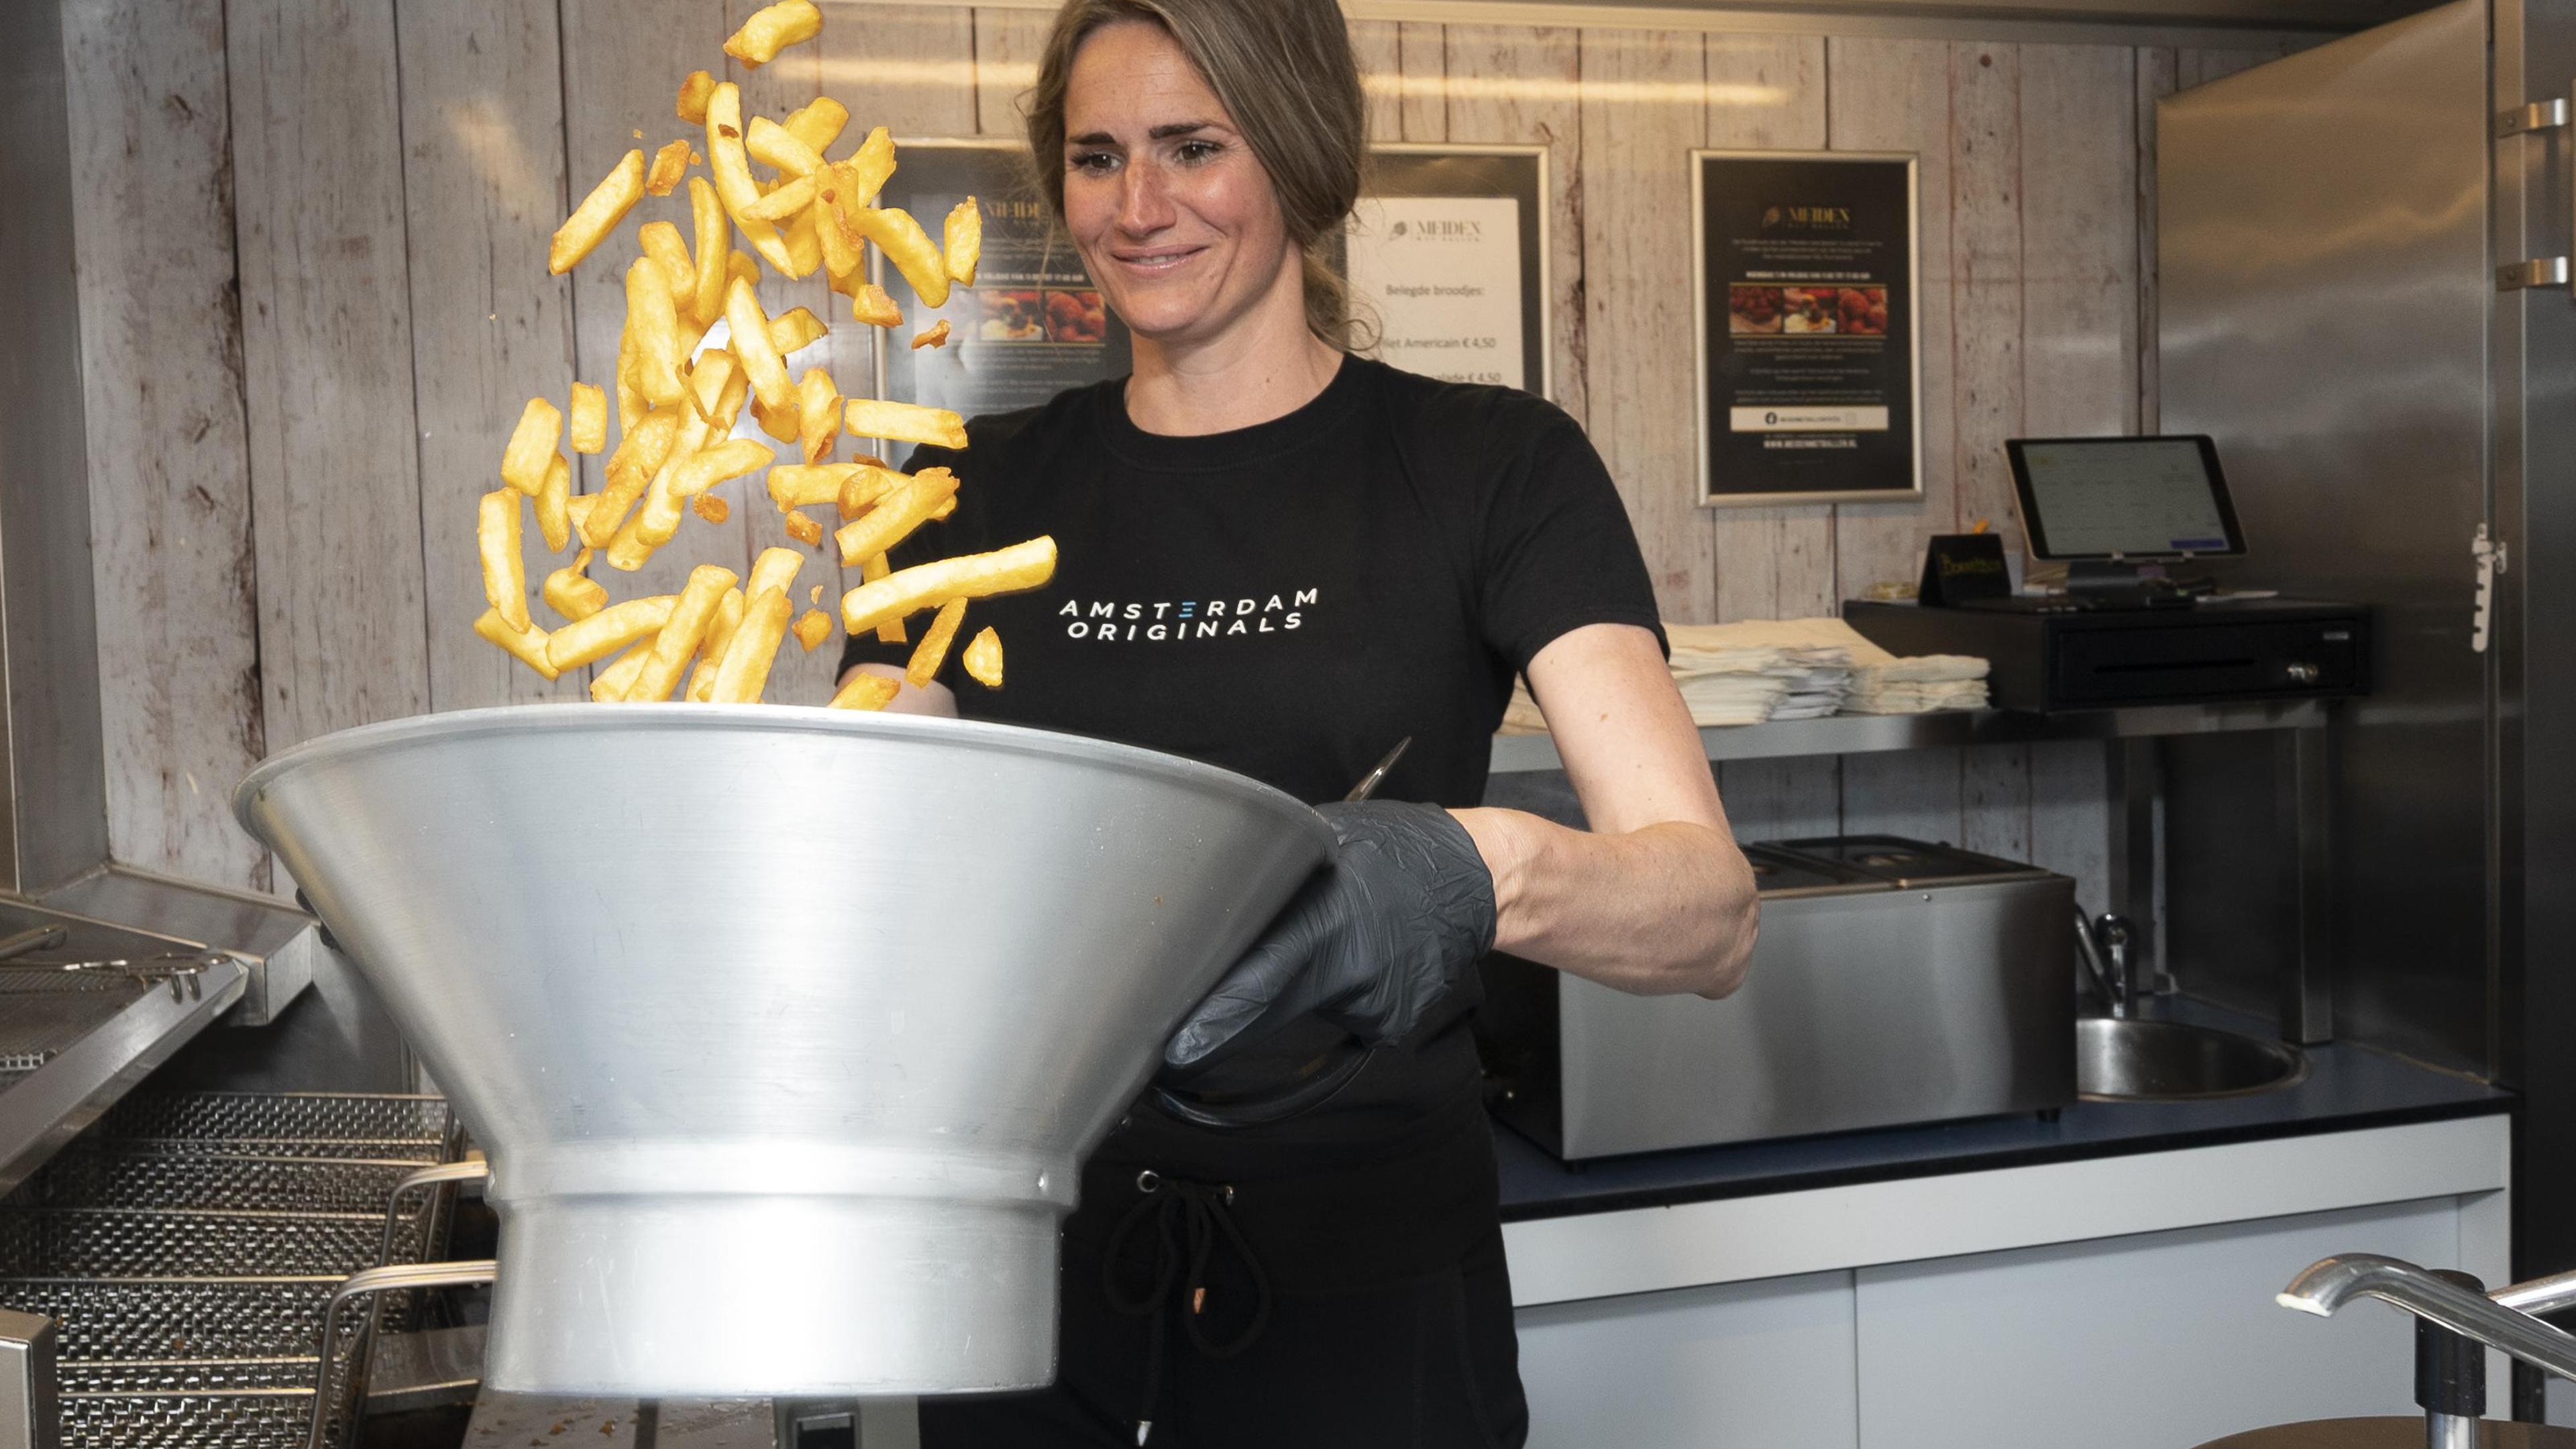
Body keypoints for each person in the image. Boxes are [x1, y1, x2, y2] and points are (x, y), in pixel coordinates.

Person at [838, 1, 1760, 1442]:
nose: (1137, 207)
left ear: (1300, 154)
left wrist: (1463, 874)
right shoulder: (961, 497)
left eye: (1194, 147)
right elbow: (864, 850)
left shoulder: (1492, 466)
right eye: (1097, 156)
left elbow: (1707, 912)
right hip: (1033, 1296)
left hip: (1376, 1305)